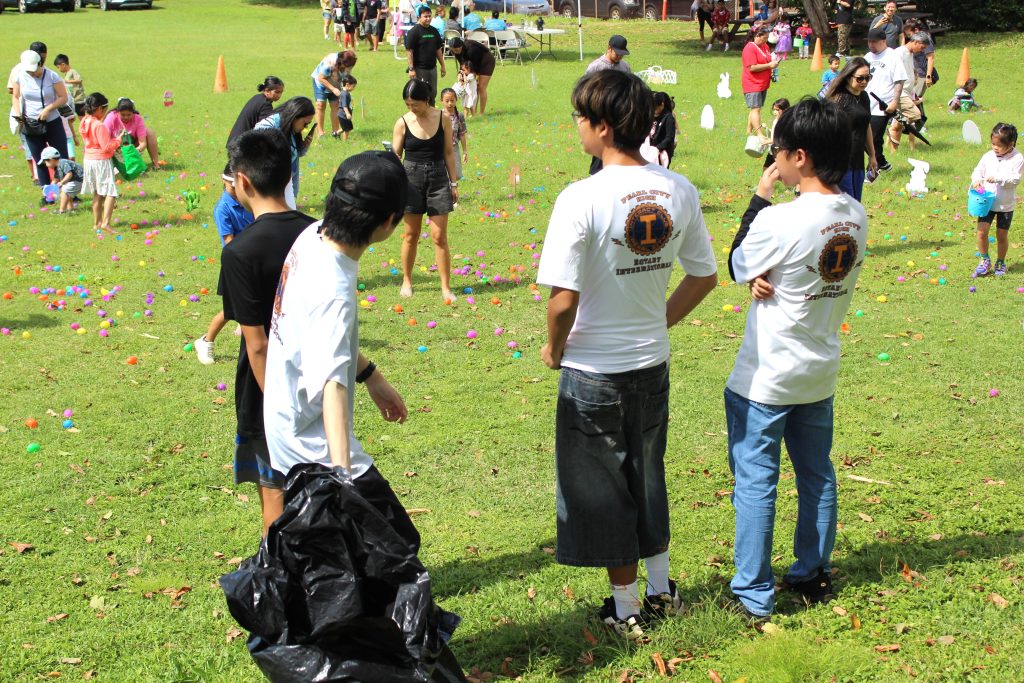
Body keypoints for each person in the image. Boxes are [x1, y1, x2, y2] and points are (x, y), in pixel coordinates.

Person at [537, 69, 718, 641]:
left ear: (604, 127)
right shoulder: (677, 188)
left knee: (604, 487)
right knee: (648, 473)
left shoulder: (581, 197)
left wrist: (553, 348)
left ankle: (626, 607)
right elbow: (704, 275)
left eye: (580, 118)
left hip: (593, 370)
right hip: (651, 363)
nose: (576, 127)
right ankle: (662, 590)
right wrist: (657, 321)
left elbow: (563, 300)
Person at [725, 97, 867, 624]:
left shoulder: (779, 219)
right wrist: (766, 277)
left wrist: (760, 196)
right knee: (816, 474)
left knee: (755, 480)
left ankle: (753, 592)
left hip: (766, 376)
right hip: (819, 370)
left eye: (778, 152)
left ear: (800, 157)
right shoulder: (855, 214)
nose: (774, 161)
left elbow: (738, 261)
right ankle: (812, 572)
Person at [262, 151, 414, 552]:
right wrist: (343, 479)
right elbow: (332, 386)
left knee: (341, 556)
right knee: (396, 544)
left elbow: (322, 337)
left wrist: (371, 376)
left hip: (285, 422)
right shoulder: (334, 289)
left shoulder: (313, 236)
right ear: (389, 221)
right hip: (313, 446)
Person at [218, 128, 316, 536]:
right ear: (288, 175)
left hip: (268, 393)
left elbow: (256, 344)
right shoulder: (318, 233)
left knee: (275, 492)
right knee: (318, 486)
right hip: (320, 379)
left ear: (242, 181)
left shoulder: (239, 252)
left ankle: (280, 568)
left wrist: (279, 409)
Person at [391, 79, 458, 302]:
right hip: (411, 179)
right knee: (411, 235)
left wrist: (453, 183)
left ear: (426, 100)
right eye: (408, 104)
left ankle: (445, 287)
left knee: (439, 236)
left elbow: (448, 152)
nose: (412, 108)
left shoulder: (443, 118)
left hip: (438, 178)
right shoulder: (402, 123)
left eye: (415, 104)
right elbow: (395, 157)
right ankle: (407, 280)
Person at [193, 172, 256, 366]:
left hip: (255, 260)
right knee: (231, 310)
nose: (237, 191)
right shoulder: (223, 209)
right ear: (224, 181)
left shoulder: (249, 200)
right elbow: (229, 241)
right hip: (237, 263)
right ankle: (206, 341)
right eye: (232, 187)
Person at [971, 123, 1021, 278]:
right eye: (993, 143)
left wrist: (998, 178)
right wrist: (976, 180)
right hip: (986, 203)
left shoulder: (1017, 158)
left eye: (999, 145)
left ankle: (1000, 261)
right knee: (981, 232)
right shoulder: (988, 156)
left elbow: (1015, 179)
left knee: (1001, 235)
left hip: (1005, 205)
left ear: (1010, 144)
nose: (995, 148)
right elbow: (978, 171)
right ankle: (984, 260)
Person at [12, 49, 69, 186]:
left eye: (34, 70)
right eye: (29, 71)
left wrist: (48, 109)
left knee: (61, 157)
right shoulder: (20, 76)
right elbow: (16, 96)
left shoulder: (52, 76)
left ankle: (67, 192)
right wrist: (19, 114)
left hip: (52, 121)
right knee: (39, 160)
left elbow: (63, 97)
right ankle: (46, 192)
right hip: (31, 124)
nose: (32, 73)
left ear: (40, 63)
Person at [825, 56, 878, 201]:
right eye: (860, 78)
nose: (864, 82)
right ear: (848, 77)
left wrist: (872, 155)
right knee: (847, 205)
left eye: (868, 78)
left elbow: (866, 125)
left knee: (856, 203)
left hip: (857, 160)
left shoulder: (864, 97)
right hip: (840, 162)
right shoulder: (839, 100)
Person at [255, 96, 316, 209]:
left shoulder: (290, 128)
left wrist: (305, 145)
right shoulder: (268, 127)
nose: (305, 127)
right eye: (305, 123)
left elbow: (294, 154)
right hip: (269, 184)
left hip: (284, 182)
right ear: (295, 116)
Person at [585, 35, 631, 175]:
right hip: (601, 114)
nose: (619, 57)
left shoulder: (625, 67)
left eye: (622, 54)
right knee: (602, 146)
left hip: (619, 114)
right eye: (617, 53)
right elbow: (585, 91)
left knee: (619, 146)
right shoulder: (595, 67)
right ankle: (595, 175)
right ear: (609, 48)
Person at [864, 26, 907, 173]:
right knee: (865, 139)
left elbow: (899, 81)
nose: (871, 45)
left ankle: (872, 172)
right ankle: (881, 163)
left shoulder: (892, 56)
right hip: (865, 104)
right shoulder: (867, 57)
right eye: (869, 41)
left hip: (882, 106)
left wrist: (894, 102)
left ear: (883, 41)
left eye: (874, 42)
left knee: (873, 139)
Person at [78, 93, 121, 233]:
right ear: (99, 109)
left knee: (97, 192)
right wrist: (118, 140)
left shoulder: (85, 121)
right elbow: (106, 147)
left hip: (89, 160)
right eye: (105, 110)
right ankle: (106, 223)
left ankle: (97, 223)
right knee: (110, 192)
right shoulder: (99, 125)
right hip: (101, 161)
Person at [888, 33, 929, 151]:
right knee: (915, 114)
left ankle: (893, 150)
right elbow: (891, 71)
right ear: (916, 42)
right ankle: (894, 127)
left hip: (907, 92)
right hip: (900, 92)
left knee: (900, 124)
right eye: (922, 47)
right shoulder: (899, 52)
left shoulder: (910, 54)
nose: (922, 51)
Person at [226, 77, 285, 153]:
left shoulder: (257, 97)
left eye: (281, 92)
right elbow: (266, 129)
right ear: (267, 91)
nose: (279, 95)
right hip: (241, 145)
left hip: (235, 141)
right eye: (277, 92)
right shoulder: (265, 105)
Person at [405, 5, 446, 104]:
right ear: (419, 17)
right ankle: (420, 112)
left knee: (433, 93)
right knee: (420, 94)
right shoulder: (414, 31)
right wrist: (411, 69)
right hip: (419, 69)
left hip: (432, 68)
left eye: (429, 16)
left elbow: (438, 50)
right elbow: (409, 51)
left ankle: (431, 111)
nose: (428, 18)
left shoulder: (434, 31)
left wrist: (443, 65)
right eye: (425, 16)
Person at [311, 51, 357, 139]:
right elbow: (321, 78)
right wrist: (333, 89)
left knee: (336, 104)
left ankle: (335, 132)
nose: (349, 69)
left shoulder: (348, 63)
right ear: (341, 63)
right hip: (321, 82)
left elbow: (346, 77)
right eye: (348, 67)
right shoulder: (329, 63)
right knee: (320, 105)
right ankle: (320, 133)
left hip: (336, 82)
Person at [742, 27, 778, 136]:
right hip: (753, 83)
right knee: (756, 109)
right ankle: (759, 135)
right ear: (757, 36)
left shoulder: (765, 46)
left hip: (763, 83)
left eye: (767, 38)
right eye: (764, 38)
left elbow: (767, 59)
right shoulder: (749, 48)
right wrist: (769, 65)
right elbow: (752, 67)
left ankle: (748, 131)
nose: (766, 40)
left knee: (756, 108)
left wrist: (773, 66)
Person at [103, 98, 160, 167]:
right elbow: (104, 139)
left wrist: (134, 151)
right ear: (118, 112)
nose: (126, 117)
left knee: (149, 132)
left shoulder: (138, 119)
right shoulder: (111, 117)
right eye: (123, 115)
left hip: (132, 148)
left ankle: (156, 165)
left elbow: (143, 143)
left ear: (133, 113)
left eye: (129, 115)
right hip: (115, 149)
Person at [449, 37, 494, 115]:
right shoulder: (456, 51)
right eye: (453, 50)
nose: (455, 52)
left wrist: (471, 76)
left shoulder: (471, 49)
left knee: (481, 87)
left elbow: (473, 66)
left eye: (456, 50)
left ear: (461, 46)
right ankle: (474, 113)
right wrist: (460, 73)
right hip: (473, 63)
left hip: (486, 61)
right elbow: (462, 63)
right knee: (475, 87)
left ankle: (481, 113)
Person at [40, 145, 82, 214]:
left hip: (80, 180)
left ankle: (62, 210)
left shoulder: (62, 163)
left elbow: (69, 174)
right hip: (77, 181)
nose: (46, 165)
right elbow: (55, 179)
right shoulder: (58, 167)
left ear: (51, 160)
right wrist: (50, 188)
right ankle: (70, 209)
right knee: (68, 192)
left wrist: (62, 183)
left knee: (64, 191)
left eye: (45, 162)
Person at [440, 87, 468, 180]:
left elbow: (462, 134)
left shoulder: (459, 116)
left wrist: (465, 152)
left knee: (457, 174)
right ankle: (448, 188)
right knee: (444, 175)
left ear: (456, 100)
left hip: (454, 147)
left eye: (452, 100)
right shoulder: (439, 115)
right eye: (447, 101)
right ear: (441, 101)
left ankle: (451, 185)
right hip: (441, 147)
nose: (450, 103)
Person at [647, 91, 677, 168]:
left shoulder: (668, 118)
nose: (654, 111)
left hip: (662, 152)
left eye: (655, 109)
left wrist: (658, 148)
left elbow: (669, 137)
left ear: (662, 105)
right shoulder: (650, 115)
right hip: (649, 152)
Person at [760, 98, 790, 168]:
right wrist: (767, 128)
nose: (775, 112)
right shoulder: (776, 120)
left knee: (778, 171)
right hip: (773, 150)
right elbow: (775, 133)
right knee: (766, 169)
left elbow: (777, 139)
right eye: (774, 110)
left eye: (777, 110)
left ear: (785, 110)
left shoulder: (785, 123)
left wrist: (765, 142)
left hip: (780, 151)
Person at [338, 75, 357, 141]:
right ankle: (345, 141)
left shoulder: (346, 93)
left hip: (344, 115)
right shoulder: (344, 94)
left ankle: (336, 133)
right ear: (347, 85)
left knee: (346, 128)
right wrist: (347, 113)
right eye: (353, 86)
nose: (354, 88)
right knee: (347, 129)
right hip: (343, 115)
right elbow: (344, 106)